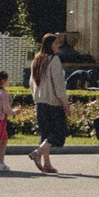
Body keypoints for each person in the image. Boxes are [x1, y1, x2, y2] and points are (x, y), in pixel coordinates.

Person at [29, 32, 68, 174]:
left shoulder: (36, 60)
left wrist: (36, 99)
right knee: (59, 133)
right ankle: (37, 153)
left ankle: (47, 164)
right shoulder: (54, 60)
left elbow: (31, 84)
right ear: (49, 45)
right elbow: (59, 84)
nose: (58, 46)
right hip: (53, 102)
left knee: (45, 134)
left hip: (40, 102)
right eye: (56, 43)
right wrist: (65, 101)